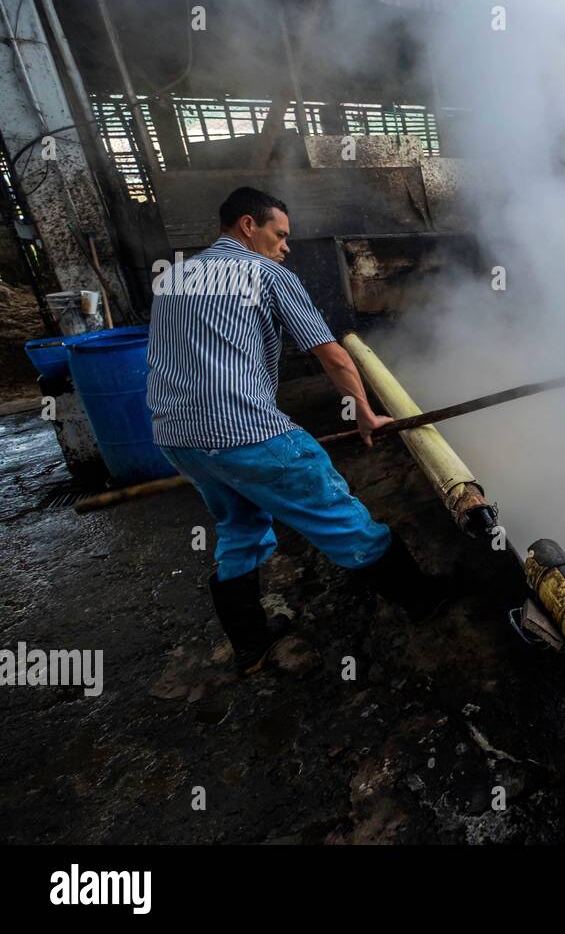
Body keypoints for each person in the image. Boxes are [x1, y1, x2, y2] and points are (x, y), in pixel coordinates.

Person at [147, 186, 447, 677]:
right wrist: (365, 414)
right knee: (338, 514)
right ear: (248, 225)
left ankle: (250, 647)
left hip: (178, 438)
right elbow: (331, 354)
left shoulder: (173, 278)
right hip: (246, 432)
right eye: (279, 234)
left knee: (240, 529)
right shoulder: (266, 273)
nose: (286, 246)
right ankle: (422, 600)